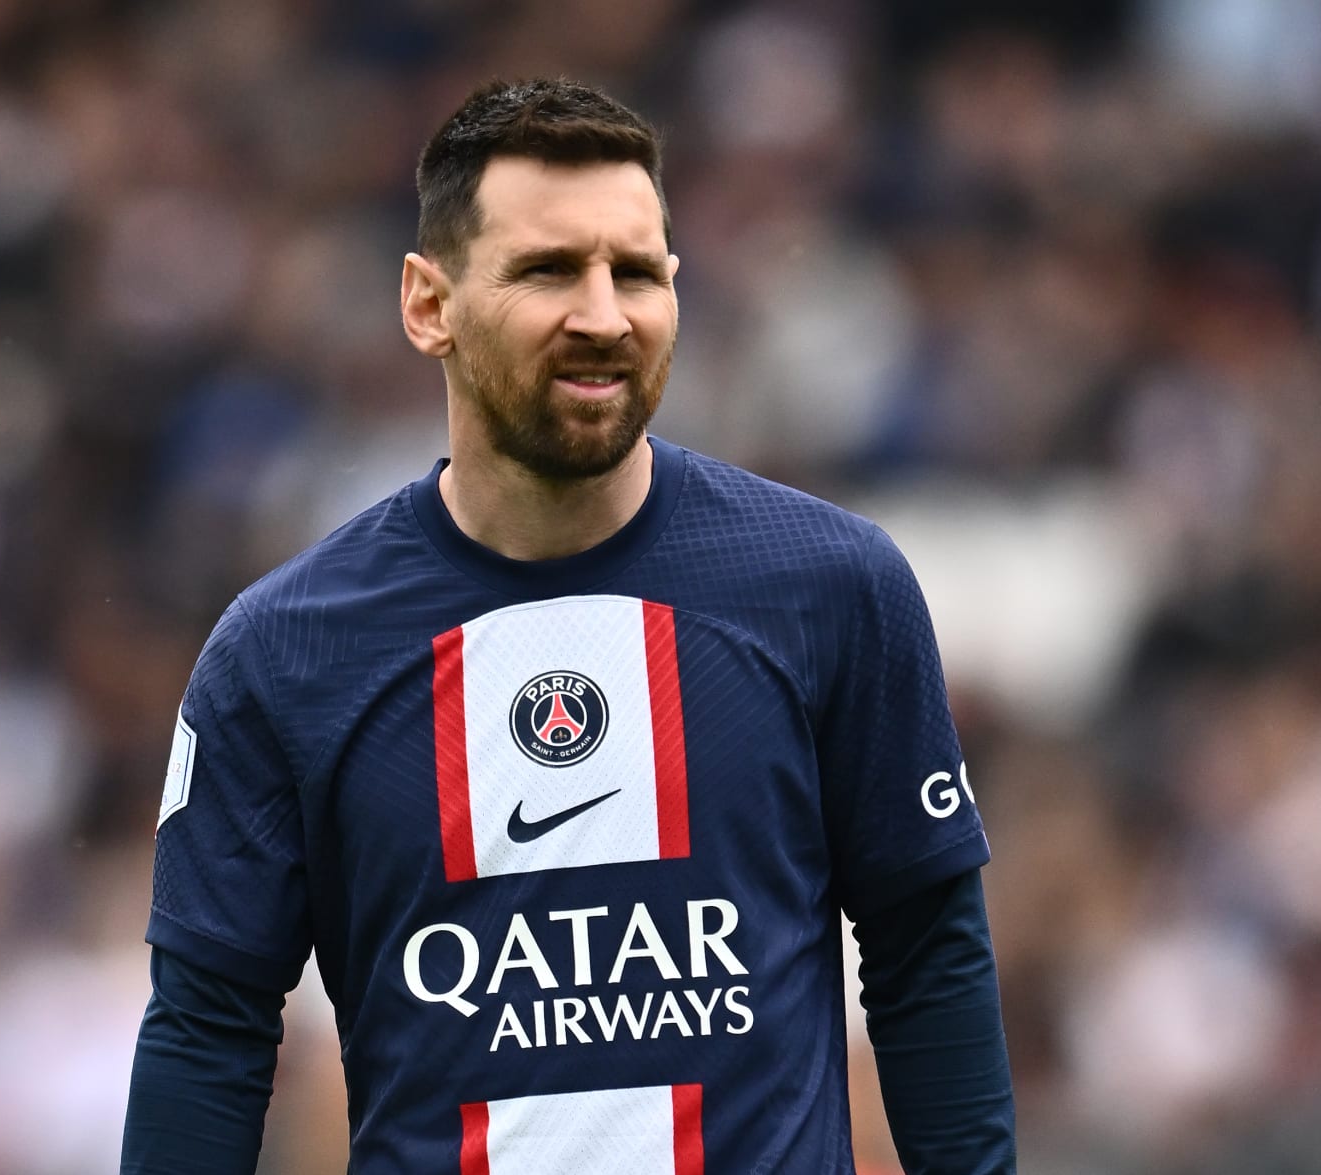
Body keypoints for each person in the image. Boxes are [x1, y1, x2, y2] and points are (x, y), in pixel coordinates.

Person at [122, 77, 1014, 1174]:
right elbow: (209, 1034)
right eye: (549, 269)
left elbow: (930, 956)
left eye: (635, 271)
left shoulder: (833, 588)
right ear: (428, 304)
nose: (604, 314)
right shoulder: (285, 651)